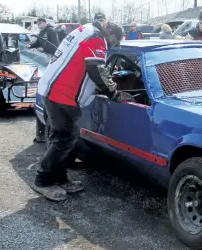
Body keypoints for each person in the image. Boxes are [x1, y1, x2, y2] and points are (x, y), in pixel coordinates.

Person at [33, 13, 134, 202]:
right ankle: (43, 180)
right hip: (62, 94)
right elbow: (96, 70)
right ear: (111, 33)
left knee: (58, 139)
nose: (112, 46)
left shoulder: (85, 30)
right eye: (114, 42)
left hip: (52, 88)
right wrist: (115, 93)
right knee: (65, 139)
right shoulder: (97, 38)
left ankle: (59, 178)